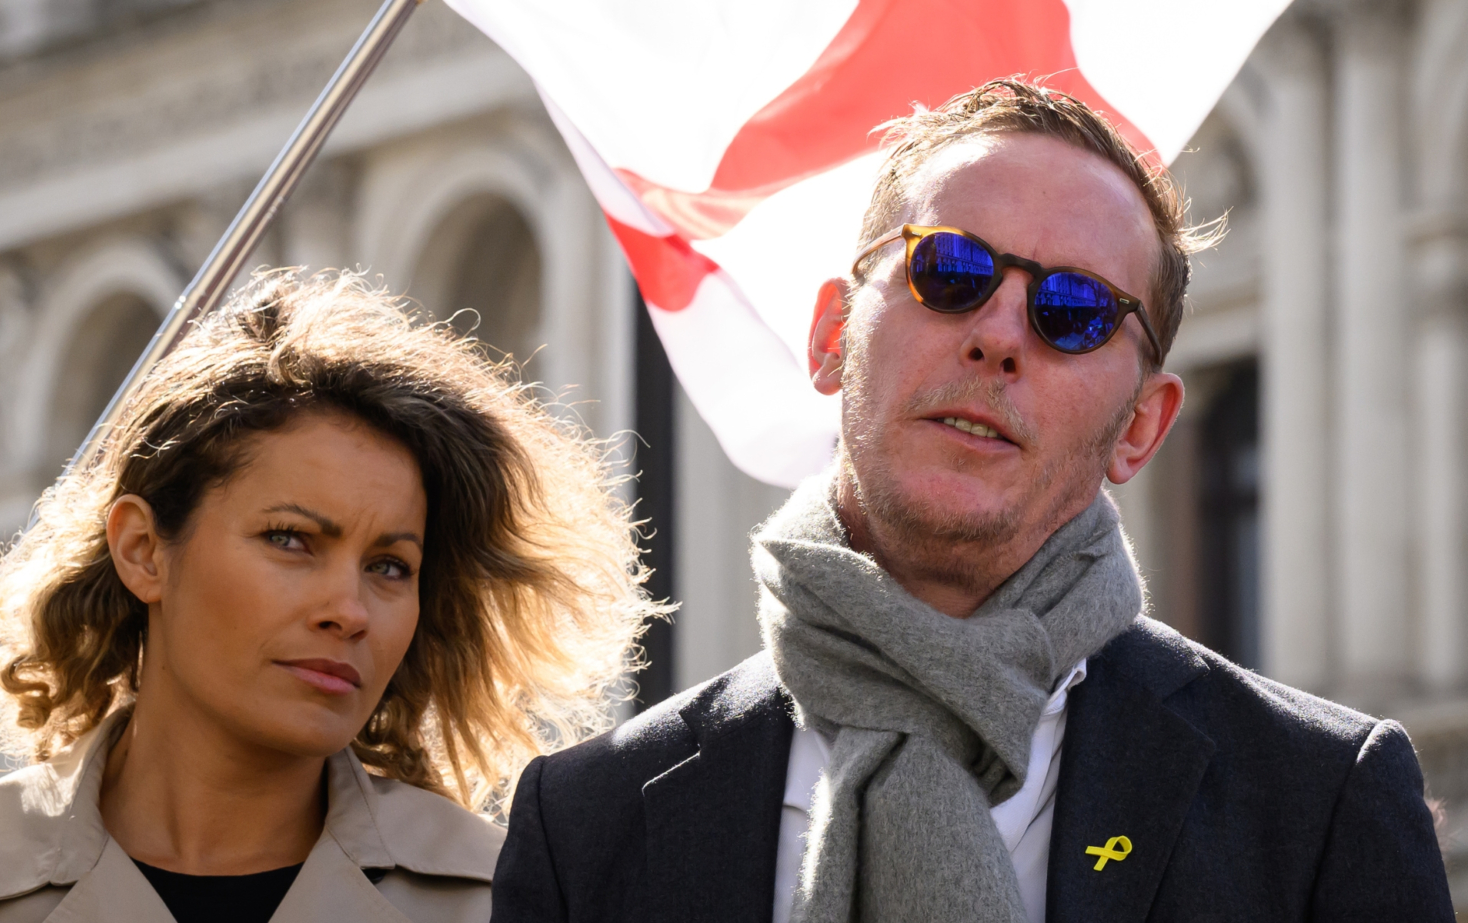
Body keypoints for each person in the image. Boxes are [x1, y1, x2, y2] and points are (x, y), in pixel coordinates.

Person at [490, 80, 1454, 923]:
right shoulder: (588, 823)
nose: (998, 335)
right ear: (832, 337)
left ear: (1140, 428)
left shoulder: (1321, 801)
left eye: (1072, 310)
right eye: (947, 270)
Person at [0, 270, 657, 923]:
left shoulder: (506, 899)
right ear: (143, 551)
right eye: (289, 539)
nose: (349, 608)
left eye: (391, 566)